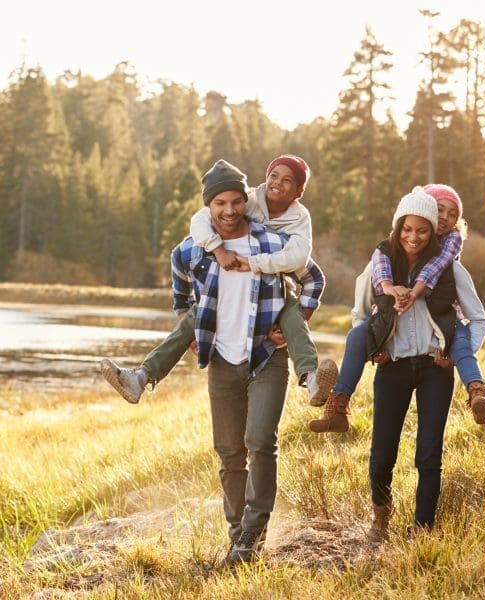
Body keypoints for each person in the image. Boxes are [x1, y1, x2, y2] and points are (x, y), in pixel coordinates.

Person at [167, 159, 323, 565]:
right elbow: (179, 279)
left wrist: (293, 323)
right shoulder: (195, 248)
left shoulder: (271, 243)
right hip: (221, 359)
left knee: (260, 443)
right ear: (209, 207)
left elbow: (313, 277)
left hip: (266, 356)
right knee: (229, 452)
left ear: (245, 203)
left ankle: (252, 537)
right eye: (220, 203)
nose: (230, 210)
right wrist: (187, 324)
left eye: (237, 201)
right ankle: (238, 538)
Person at [100, 155, 337, 407]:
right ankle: (140, 378)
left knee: (292, 314)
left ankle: (311, 378)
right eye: (273, 175)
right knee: (196, 314)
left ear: (299, 191)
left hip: (276, 290)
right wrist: (218, 249)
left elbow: (303, 261)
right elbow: (201, 219)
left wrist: (293, 321)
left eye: (287, 180)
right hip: (227, 293)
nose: (277, 183)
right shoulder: (247, 200)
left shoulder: (298, 221)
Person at [351, 188, 485, 539]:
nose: (415, 235)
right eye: (409, 229)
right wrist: (372, 348)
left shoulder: (451, 270)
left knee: (428, 452)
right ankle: (381, 518)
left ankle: (423, 527)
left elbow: (478, 319)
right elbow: (359, 315)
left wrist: (456, 352)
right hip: (392, 367)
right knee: (382, 451)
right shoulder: (381, 264)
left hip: (434, 369)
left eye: (426, 228)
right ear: (401, 227)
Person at [308, 183, 485, 433]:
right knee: (356, 336)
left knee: (460, 341)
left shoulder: (449, 248)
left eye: (453, 215)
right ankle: (337, 404)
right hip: (393, 337)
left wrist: (414, 291)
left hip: (443, 323)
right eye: (440, 210)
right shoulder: (387, 251)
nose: (445, 219)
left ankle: (477, 391)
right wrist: (386, 292)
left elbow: (435, 268)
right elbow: (373, 278)